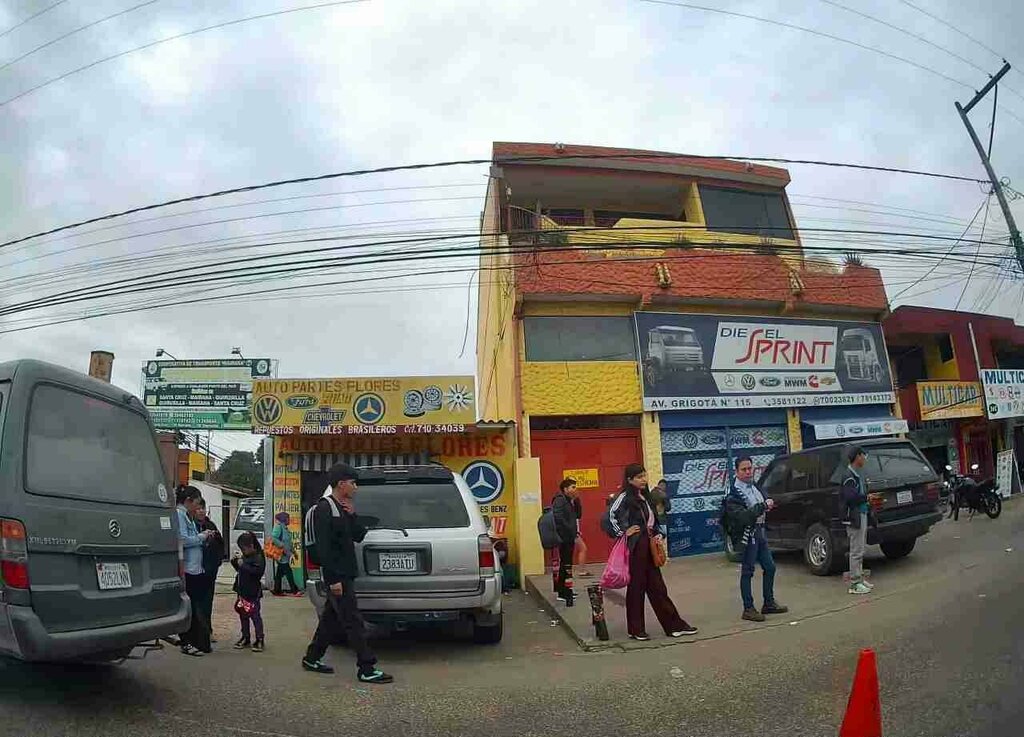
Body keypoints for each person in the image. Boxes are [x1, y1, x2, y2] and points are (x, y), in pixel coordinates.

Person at [302, 463, 393, 683]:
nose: (356, 487)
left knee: (330, 620)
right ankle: (367, 668)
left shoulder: (342, 508)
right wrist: (332, 579)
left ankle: (312, 658)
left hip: (346, 574)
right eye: (353, 483)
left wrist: (352, 515)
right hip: (338, 576)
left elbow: (359, 535)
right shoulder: (324, 509)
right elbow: (324, 549)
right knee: (353, 622)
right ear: (341, 483)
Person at [608, 463, 697, 641]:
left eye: (644, 475)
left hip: (649, 546)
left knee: (658, 588)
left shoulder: (646, 496)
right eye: (639, 477)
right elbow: (610, 517)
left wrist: (657, 533)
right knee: (636, 589)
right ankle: (636, 630)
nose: (643, 479)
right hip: (635, 548)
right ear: (629, 479)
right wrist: (623, 532)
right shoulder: (624, 497)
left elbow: (652, 521)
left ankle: (674, 626)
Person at [726, 457, 788, 622]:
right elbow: (743, 517)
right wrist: (763, 506)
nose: (748, 472)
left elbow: (763, 500)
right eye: (744, 469)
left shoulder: (754, 486)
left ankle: (768, 603)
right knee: (747, 571)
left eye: (749, 468)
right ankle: (748, 608)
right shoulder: (734, 493)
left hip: (760, 532)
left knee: (770, 567)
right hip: (747, 535)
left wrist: (768, 503)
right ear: (737, 472)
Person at [176, 485, 213, 656]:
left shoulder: (187, 516)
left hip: (195, 569)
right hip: (187, 570)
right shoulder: (179, 515)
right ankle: (187, 642)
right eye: (196, 504)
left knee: (197, 607)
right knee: (190, 608)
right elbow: (182, 540)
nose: (198, 508)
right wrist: (201, 537)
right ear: (188, 501)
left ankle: (196, 641)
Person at [841, 446, 874, 595]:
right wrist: (865, 497)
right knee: (856, 550)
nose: (865, 459)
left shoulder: (856, 474)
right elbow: (850, 498)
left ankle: (859, 578)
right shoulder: (848, 476)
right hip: (854, 517)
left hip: (862, 514)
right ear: (857, 457)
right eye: (863, 455)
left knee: (861, 549)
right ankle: (854, 583)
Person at [231, 531, 267, 652]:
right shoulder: (245, 557)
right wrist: (235, 562)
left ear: (251, 546)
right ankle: (245, 637)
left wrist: (243, 565)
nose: (243, 551)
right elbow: (239, 570)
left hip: (253, 593)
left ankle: (260, 638)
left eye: (244, 549)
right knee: (243, 615)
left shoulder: (259, 557)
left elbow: (257, 573)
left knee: (255, 615)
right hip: (242, 591)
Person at [194, 498, 224, 643]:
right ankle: (195, 633)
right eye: (198, 508)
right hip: (194, 571)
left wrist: (216, 564)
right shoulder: (190, 525)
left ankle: (208, 631)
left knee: (207, 602)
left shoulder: (211, 525)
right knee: (195, 603)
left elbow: (220, 546)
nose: (201, 511)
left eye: (203, 508)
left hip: (209, 571)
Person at [551, 478, 581, 605]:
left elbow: (578, 515)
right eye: (573, 487)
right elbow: (557, 517)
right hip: (564, 538)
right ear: (565, 489)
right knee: (565, 564)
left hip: (570, 537)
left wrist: (577, 500)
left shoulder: (570, 501)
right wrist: (568, 530)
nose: (575, 489)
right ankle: (563, 592)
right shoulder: (559, 500)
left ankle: (565, 590)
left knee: (567, 564)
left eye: (575, 487)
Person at [271, 512, 301, 596]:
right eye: (288, 518)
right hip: (282, 554)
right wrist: (282, 546)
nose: (289, 520)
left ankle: (277, 590)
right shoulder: (278, 527)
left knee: (279, 573)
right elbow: (273, 538)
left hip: (286, 554)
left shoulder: (285, 529)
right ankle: (295, 590)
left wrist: (294, 552)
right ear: (284, 519)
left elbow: (289, 542)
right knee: (288, 572)